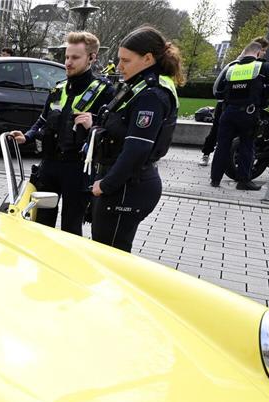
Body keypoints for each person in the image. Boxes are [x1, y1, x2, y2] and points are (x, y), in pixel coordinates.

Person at [8, 31, 114, 236]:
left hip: (78, 169)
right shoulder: (59, 88)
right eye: (67, 57)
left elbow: (111, 130)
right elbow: (44, 119)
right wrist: (27, 136)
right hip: (50, 165)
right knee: (40, 225)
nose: (68, 62)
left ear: (92, 58)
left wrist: (94, 123)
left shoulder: (104, 91)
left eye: (75, 58)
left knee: (70, 229)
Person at [88, 26, 182, 252]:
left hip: (127, 186)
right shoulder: (140, 87)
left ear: (147, 58)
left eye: (126, 61)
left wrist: (106, 185)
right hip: (123, 182)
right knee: (107, 252)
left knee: (109, 256)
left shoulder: (151, 95)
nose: (119, 66)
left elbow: (137, 149)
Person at [209, 40, 269, 190]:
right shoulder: (263, 66)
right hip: (249, 113)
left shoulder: (231, 68)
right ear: (258, 52)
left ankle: (215, 179)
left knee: (222, 146)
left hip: (228, 113)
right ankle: (243, 181)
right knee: (247, 146)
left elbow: (219, 91)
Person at [199, 36, 269, 166]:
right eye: (264, 50)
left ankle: (218, 164)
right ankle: (208, 154)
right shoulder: (238, 65)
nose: (265, 53)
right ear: (257, 50)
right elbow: (218, 87)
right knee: (218, 132)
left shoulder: (251, 66)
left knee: (223, 134)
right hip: (231, 106)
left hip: (233, 106)